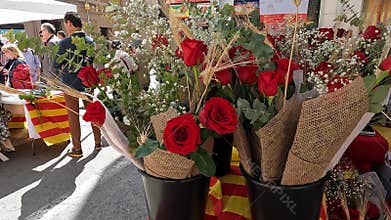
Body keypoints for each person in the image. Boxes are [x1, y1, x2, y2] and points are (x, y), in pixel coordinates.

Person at [55, 11, 101, 158]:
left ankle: (77, 148)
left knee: (73, 117)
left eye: (65, 24)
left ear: (69, 23)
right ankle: (98, 142)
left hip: (70, 84)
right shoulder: (90, 41)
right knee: (92, 112)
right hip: (88, 81)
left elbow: (57, 64)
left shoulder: (64, 43)